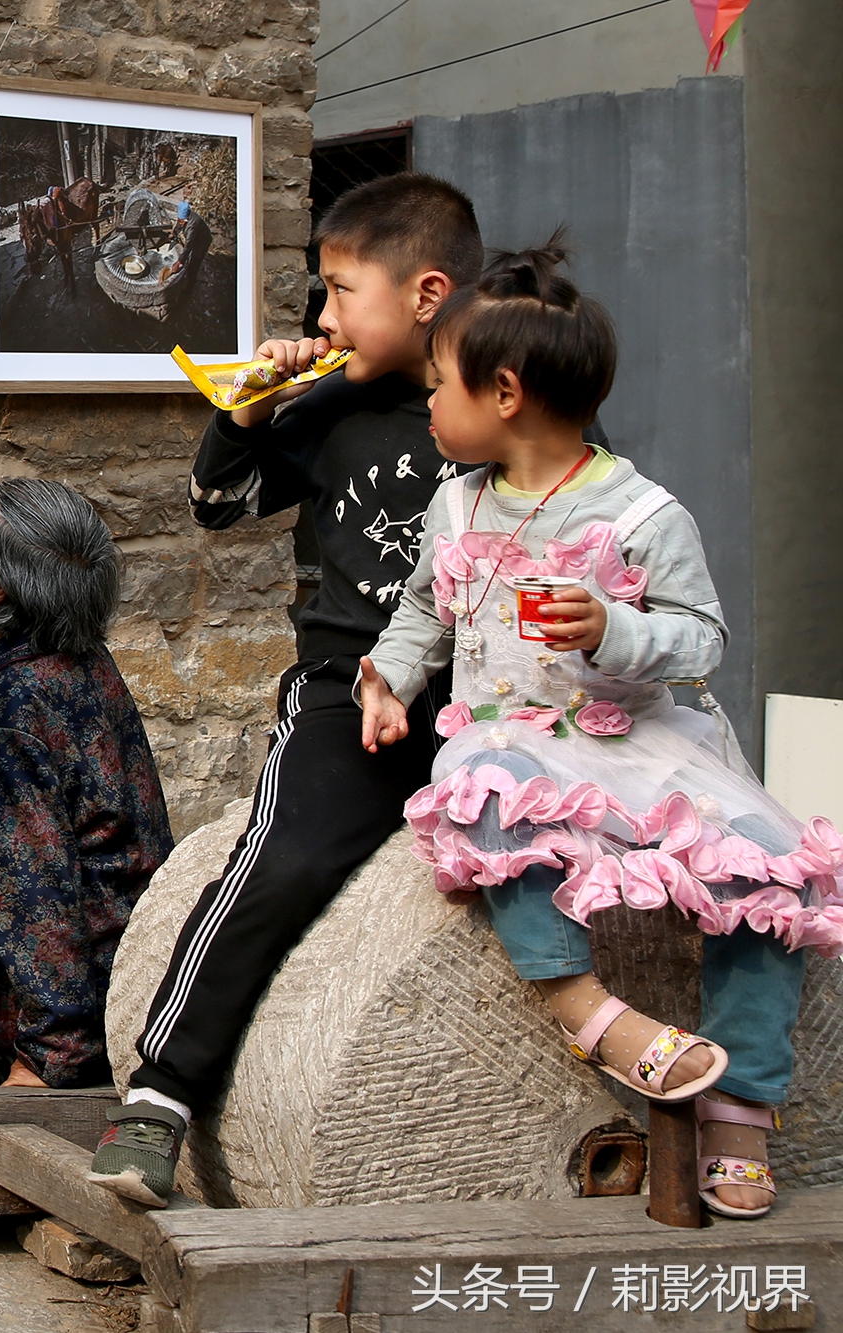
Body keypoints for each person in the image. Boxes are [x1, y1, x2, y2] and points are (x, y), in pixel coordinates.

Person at [360, 240, 838, 1220]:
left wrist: (613, 629)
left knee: (771, 870)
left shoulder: (640, 511)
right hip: (511, 738)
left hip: (639, 739)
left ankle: (742, 1096)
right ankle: (592, 1014)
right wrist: (388, 679)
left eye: (436, 385)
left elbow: (699, 636)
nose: (426, 405)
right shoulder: (454, 506)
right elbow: (422, 609)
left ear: (501, 392)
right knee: (483, 805)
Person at [88, 173, 486, 1206]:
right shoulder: (328, 408)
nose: (319, 316)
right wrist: (248, 408)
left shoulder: (506, 401)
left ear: (425, 293)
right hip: (344, 699)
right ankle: (159, 1096)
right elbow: (215, 503)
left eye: (339, 289)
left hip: (498, 703)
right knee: (283, 855)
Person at [0, 479, 174, 1090]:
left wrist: (46, 1057)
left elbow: (37, 893)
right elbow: (90, 815)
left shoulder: (13, 704)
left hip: (37, 1037)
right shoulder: (79, 659)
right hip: (125, 996)